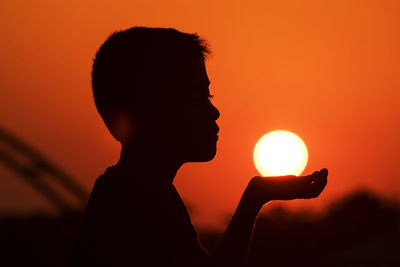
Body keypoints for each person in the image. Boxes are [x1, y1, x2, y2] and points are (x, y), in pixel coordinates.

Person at [71, 27, 328, 267]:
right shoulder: (128, 205)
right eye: (195, 97)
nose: (213, 111)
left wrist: (256, 196)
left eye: (208, 96)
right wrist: (254, 198)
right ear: (145, 113)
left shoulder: (150, 193)